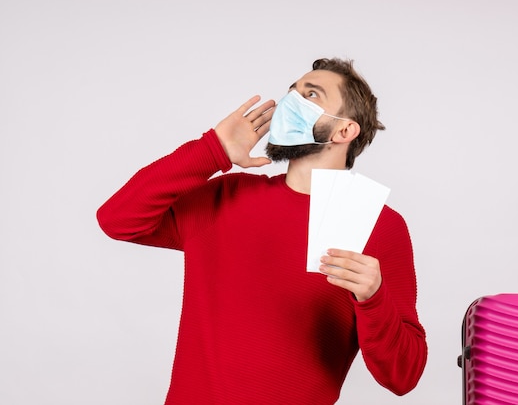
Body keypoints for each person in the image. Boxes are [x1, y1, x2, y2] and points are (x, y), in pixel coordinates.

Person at [97, 57, 427, 404]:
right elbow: (117, 219)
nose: (290, 103)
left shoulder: (378, 225)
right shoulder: (226, 197)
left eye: (311, 95)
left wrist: (374, 298)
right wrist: (212, 151)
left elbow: (403, 376)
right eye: (291, 92)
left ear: (345, 130)